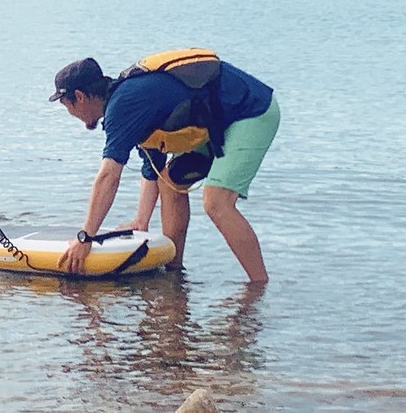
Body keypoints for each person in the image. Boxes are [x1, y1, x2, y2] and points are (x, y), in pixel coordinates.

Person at [51, 50, 280, 282]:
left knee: (216, 202)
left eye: (66, 105)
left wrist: (85, 238)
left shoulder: (123, 105)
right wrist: (142, 220)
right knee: (170, 182)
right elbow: (153, 168)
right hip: (218, 121)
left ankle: (258, 287)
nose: (70, 114)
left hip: (251, 111)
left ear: (79, 96)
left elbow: (108, 176)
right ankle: (174, 272)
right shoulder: (127, 102)